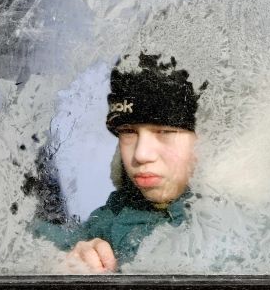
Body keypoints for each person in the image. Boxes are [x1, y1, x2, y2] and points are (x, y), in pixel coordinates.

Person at [31, 52, 206, 273]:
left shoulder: (244, 232)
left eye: (165, 131)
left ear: (209, 141)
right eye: (128, 131)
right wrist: (67, 259)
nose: (141, 154)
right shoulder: (114, 217)